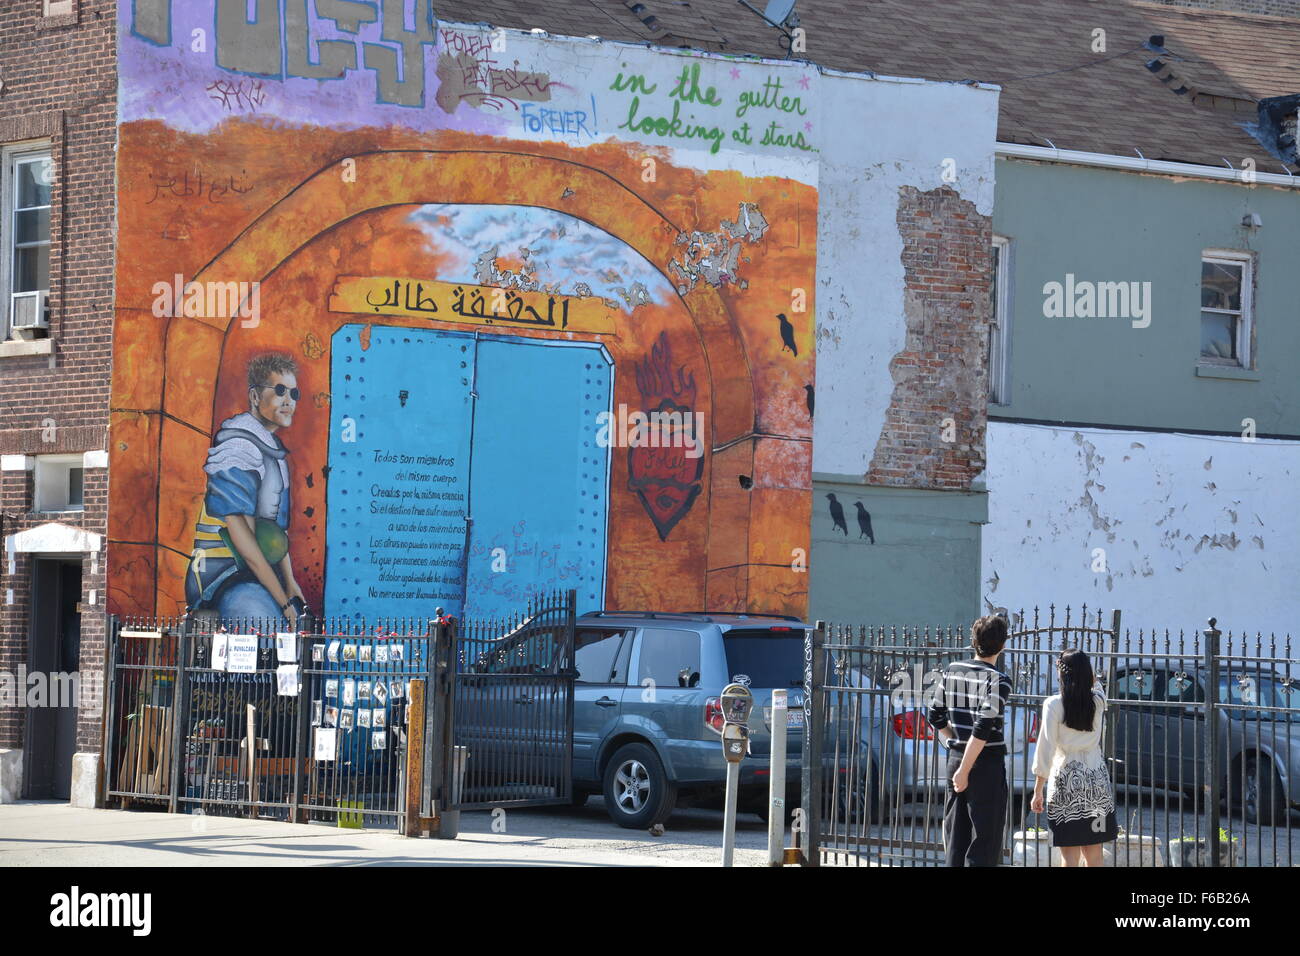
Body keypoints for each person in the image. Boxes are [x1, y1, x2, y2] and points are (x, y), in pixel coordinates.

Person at [184, 353, 306, 628]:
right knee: (265, 635)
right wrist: (283, 601)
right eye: (279, 391)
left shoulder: (273, 453)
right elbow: (244, 540)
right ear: (254, 397)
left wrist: (290, 585)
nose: (289, 401)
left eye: (293, 393)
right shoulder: (237, 447)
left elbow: (273, 533)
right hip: (224, 577)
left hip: (260, 575)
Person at [927, 614, 1013, 867]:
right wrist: (965, 769)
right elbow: (983, 727)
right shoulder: (999, 680)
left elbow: (935, 715)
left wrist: (958, 744)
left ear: (973, 642)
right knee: (985, 841)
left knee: (956, 837)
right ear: (1002, 645)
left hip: (956, 760)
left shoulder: (952, 670)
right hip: (985, 765)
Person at [1030, 649, 1118, 866]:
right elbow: (1096, 684)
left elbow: (1046, 748)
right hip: (1096, 782)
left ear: (1062, 675)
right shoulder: (1098, 701)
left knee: (1069, 855)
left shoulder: (1053, 704)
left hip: (1065, 782)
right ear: (1088, 674)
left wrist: (1038, 789)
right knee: (1094, 852)